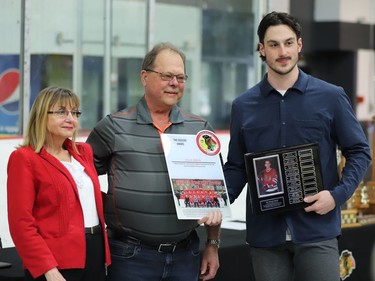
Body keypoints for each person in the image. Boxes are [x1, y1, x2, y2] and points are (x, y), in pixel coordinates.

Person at [223, 11, 371, 281]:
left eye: (289, 43)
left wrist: (336, 196)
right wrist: (212, 202)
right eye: (273, 44)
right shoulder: (243, 106)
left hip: (317, 231)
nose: (282, 51)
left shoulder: (331, 96)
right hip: (266, 237)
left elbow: (359, 152)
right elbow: (236, 167)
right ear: (261, 49)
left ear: (299, 45)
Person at [86, 42, 222, 281]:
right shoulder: (114, 127)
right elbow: (81, 178)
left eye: (180, 77)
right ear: (144, 77)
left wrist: (212, 243)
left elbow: (213, 192)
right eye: (167, 75)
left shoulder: (200, 130)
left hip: (185, 256)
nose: (174, 83)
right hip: (130, 256)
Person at [7, 86, 111, 281]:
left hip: (95, 253)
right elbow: (21, 223)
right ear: (41, 115)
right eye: (62, 111)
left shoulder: (83, 152)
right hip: (56, 261)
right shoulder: (24, 158)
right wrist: (48, 268)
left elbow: (87, 202)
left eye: (75, 112)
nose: (71, 118)